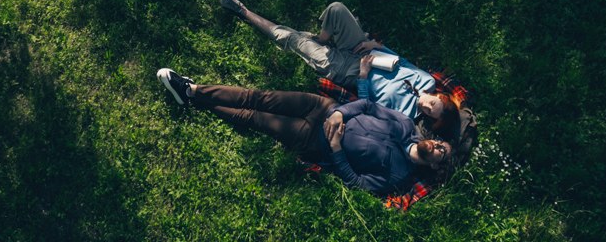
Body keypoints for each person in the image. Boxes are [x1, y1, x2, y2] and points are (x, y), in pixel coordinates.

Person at [218, 0, 475, 168]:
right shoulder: (426, 80)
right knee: (337, 8)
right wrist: (377, 46)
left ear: (428, 120)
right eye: (435, 101)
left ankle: (243, 11)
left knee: (293, 41)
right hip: (363, 49)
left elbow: (366, 107)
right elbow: (403, 62)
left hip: (349, 71)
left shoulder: (404, 116)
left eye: (430, 112)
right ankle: (321, 39)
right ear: (439, 95)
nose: (428, 104)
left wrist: (363, 75)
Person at [156, 68, 452, 195]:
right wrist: (339, 111)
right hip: (323, 108)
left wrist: (336, 148)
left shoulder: (399, 176)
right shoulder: (405, 124)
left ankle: (194, 101)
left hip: (316, 141)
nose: (438, 148)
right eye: (441, 144)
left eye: (441, 154)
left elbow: (358, 182)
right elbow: (368, 106)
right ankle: (191, 89)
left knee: (254, 118)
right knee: (258, 97)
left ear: (434, 166)